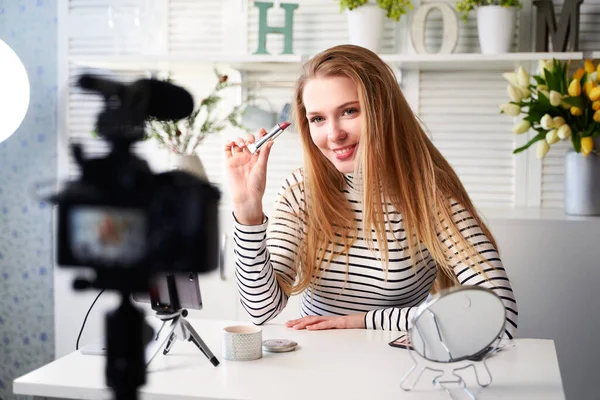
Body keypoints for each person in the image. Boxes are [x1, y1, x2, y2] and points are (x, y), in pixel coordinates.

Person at [224, 44, 518, 338]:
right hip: (316, 364)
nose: (334, 134)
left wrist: (365, 321)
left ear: (384, 111)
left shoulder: (430, 194)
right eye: (318, 119)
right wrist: (248, 214)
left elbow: (498, 316)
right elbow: (261, 308)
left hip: (396, 365)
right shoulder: (302, 190)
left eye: (349, 111)